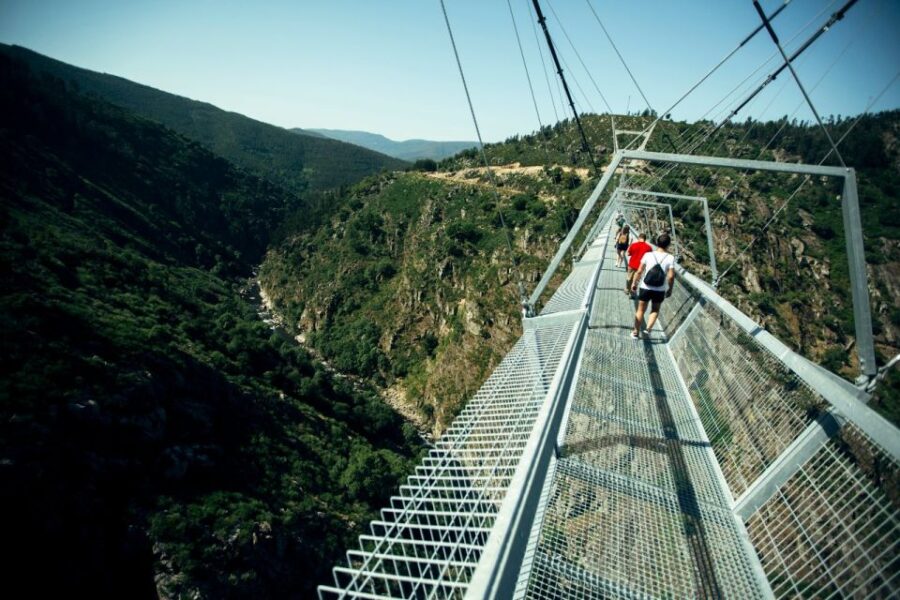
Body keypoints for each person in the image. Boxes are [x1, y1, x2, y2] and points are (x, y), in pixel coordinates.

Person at [631, 233, 676, 339]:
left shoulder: (648, 255)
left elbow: (639, 271)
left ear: (657, 242)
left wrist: (634, 283)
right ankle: (648, 329)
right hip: (660, 289)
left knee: (641, 310)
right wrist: (669, 289)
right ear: (668, 245)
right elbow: (670, 277)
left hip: (645, 286)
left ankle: (635, 332)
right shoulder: (670, 258)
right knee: (655, 309)